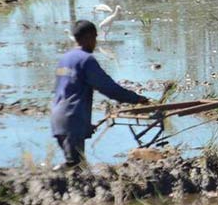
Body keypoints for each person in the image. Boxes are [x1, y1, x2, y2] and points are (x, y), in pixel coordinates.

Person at [51, 20, 148, 170]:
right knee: (75, 166)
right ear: (89, 37)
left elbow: (65, 92)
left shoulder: (64, 59)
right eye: (95, 38)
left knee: (77, 166)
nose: (95, 43)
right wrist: (136, 98)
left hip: (58, 120)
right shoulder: (85, 60)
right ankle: (51, 179)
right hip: (72, 119)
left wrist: (85, 125)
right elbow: (107, 87)